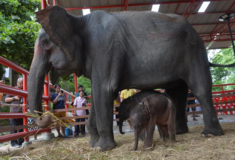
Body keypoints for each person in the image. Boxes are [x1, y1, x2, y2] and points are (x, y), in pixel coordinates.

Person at [5, 77, 24, 148]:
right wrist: (14, 98)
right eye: (21, 83)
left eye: (23, 83)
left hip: (22, 113)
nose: (22, 85)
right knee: (13, 129)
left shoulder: (25, 90)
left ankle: (21, 142)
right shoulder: (13, 90)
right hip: (14, 112)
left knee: (21, 128)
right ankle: (14, 143)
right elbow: (6, 99)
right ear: (17, 83)